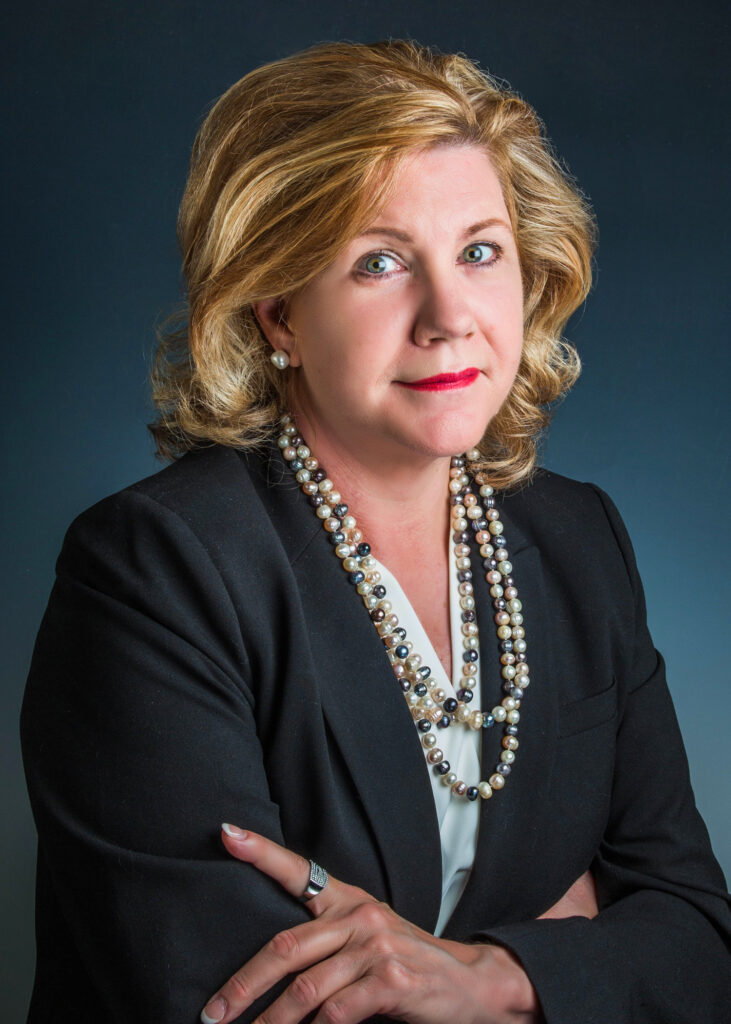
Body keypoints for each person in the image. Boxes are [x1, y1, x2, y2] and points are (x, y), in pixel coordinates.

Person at [21, 39, 729, 1024]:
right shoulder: (157, 568)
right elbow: (235, 1005)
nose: (447, 316)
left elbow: (698, 944)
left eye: (478, 251)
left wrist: (488, 978)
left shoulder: (579, 537)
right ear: (278, 313)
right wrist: (577, 953)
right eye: (379, 262)